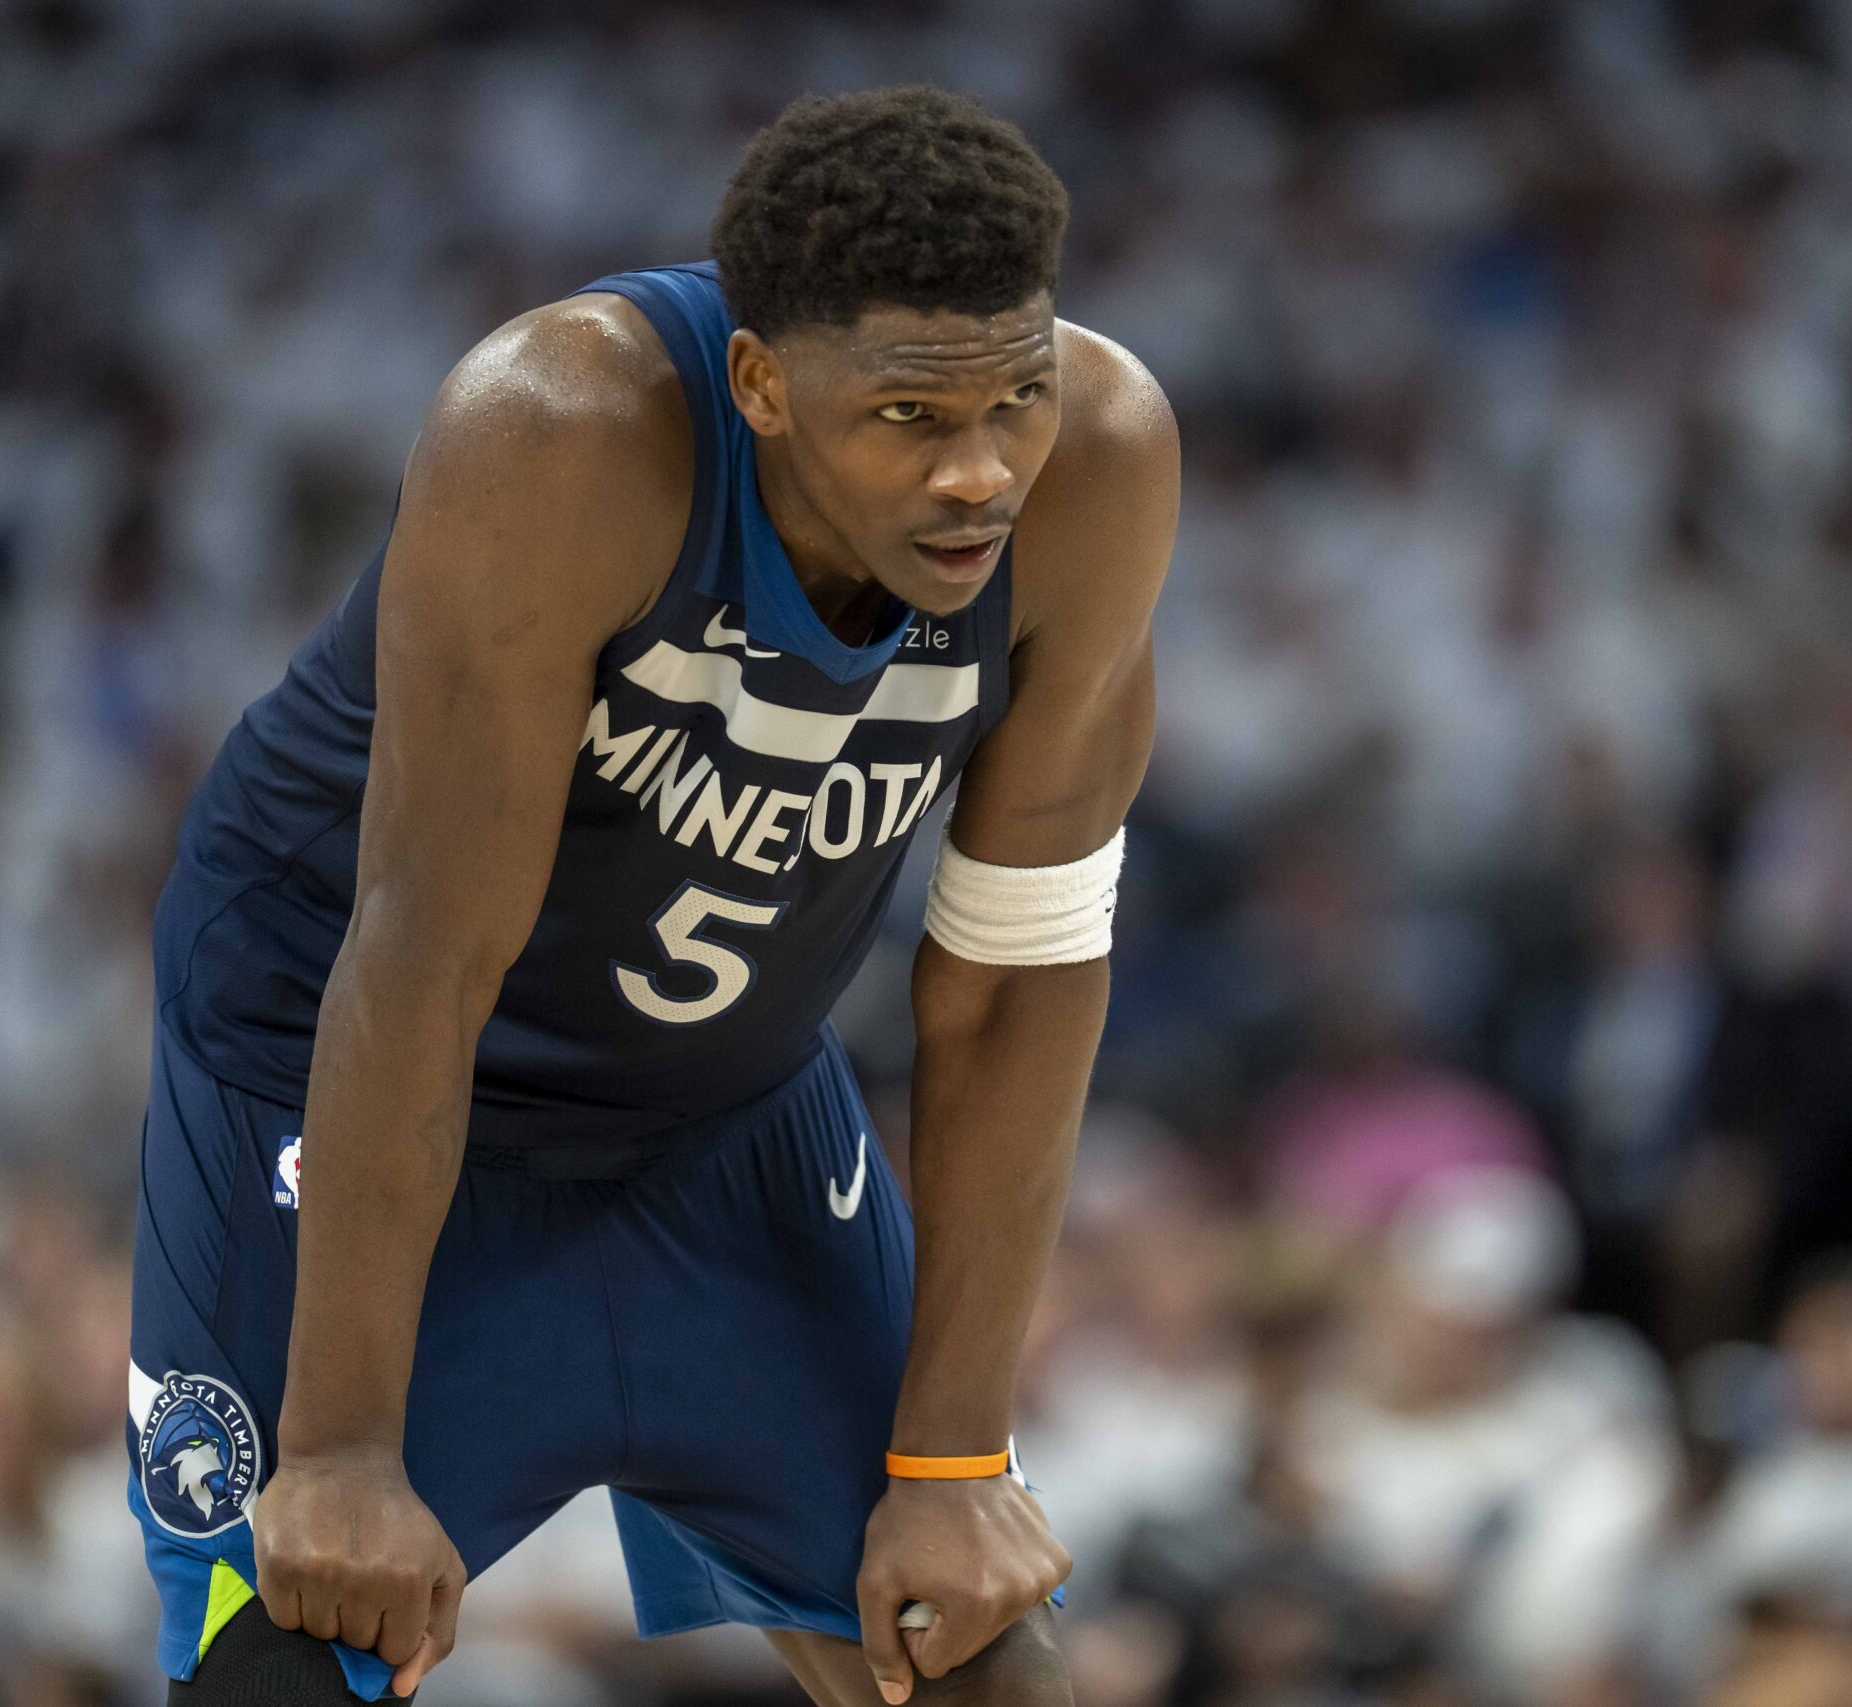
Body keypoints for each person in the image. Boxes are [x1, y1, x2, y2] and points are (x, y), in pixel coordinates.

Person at [125, 86, 1176, 1707]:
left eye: (1014, 400)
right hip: (346, 1056)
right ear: (757, 383)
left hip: (716, 1101)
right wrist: (338, 1446)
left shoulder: (1103, 463)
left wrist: (957, 1455)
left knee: (977, 1659)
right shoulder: (558, 433)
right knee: (291, 1652)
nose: (982, 474)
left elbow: (1024, 969)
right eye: (910, 418)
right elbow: (420, 957)